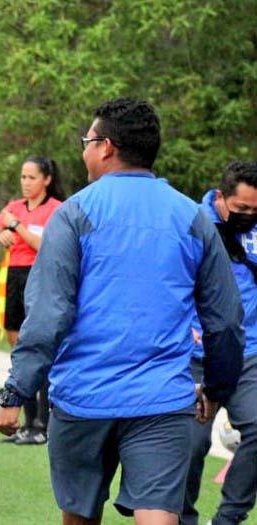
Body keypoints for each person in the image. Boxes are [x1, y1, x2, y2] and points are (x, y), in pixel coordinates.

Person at [0, 98, 245, 525]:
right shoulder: (191, 217)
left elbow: (48, 313)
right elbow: (224, 319)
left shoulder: (73, 214)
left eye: (87, 141)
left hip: (82, 399)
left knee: (78, 517)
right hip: (162, 400)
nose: (83, 149)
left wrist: (15, 392)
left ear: (106, 147)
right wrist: (216, 389)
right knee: (159, 515)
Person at [182, 161, 257, 525]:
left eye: (256, 211)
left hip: (248, 351)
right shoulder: (190, 224)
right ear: (220, 196)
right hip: (194, 354)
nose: (248, 216)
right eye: (241, 209)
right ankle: (181, 518)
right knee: (190, 445)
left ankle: (227, 519)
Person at [0, 155, 64, 445]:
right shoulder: (12, 209)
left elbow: (45, 245)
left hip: (40, 279)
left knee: (41, 352)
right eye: (23, 178)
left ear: (47, 180)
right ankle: (26, 425)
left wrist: (17, 228)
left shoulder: (56, 210)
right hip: (14, 280)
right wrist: (0, 235)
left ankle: (44, 424)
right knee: (19, 355)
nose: (26, 183)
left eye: (32, 177)